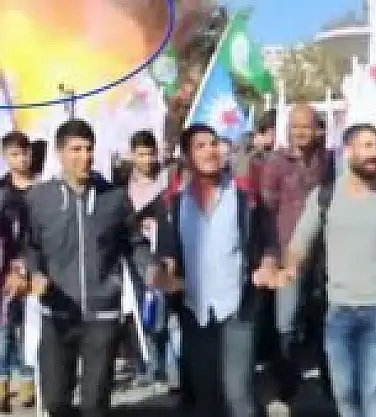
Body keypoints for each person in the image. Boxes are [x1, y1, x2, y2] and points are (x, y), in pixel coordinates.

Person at [280, 123, 376, 417]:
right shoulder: (325, 195)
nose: (375, 153)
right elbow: (299, 242)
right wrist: (290, 269)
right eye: (367, 146)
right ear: (349, 151)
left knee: (373, 389)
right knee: (344, 392)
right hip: (339, 308)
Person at [22, 119, 152, 417]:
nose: (85, 156)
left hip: (102, 314)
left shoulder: (114, 198)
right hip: (57, 313)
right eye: (76, 149)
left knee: (94, 405)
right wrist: (34, 273)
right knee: (56, 403)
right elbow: (31, 247)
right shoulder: (40, 198)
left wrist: (150, 269)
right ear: (60, 153)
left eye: (89, 148)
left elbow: (134, 243)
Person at [155, 124, 275, 417]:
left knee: (238, 394)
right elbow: (167, 251)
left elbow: (267, 239)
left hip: (237, 306)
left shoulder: (244, 196)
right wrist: (164, 273)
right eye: (201, 146)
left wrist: (267, 264)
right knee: (206, 396)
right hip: (195, 310)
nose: (211, 151)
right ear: (187, 156)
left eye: (214, 144)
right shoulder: (173, 202)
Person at [259, 103, 332, 410]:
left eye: (307, 126)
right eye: (296, 126)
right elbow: (266, 211)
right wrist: (270, 253)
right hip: (287, 253)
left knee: (325, 318)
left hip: (322, 253)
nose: (301, 132)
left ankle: (330, 384)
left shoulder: (328, 160)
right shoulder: (276, 162)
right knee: (285, 322)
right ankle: (286, 383)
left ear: (317, 129)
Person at [125, 130, 169, 390]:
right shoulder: (123, 184)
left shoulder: (166, 181)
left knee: (160, 307)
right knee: (142, 309)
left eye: (150, 154)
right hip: (136, 253)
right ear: (132, 155)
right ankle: (146, 363)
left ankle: (162, 364)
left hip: (161, 252)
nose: (146, 160)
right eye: (140, 154)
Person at [0, 131, 36, 412]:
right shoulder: (2, 192)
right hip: (4, 268)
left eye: (24, 153)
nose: (21, 159)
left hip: (33, 267)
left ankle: (27, 381)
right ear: (5, 156)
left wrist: (27, 264)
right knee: (4, 329)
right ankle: (2, 383)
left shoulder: (42, 190)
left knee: (28, 328)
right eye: (14, 154)